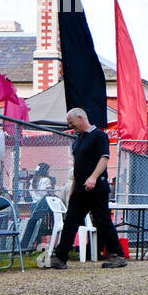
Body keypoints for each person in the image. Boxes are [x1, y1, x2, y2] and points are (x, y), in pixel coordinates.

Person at [46, 107, 126, 269]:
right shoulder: (78, 140)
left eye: (71, 122)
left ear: (80, 118)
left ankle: (118, 256)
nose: (70, 126)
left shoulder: (100, 136)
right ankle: (60, 258)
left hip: (97, 188)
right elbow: (77, 167)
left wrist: (94, 177)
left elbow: (104, 158)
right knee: (70, 221)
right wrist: (72, 190)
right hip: (80, 190)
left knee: (103, 221)